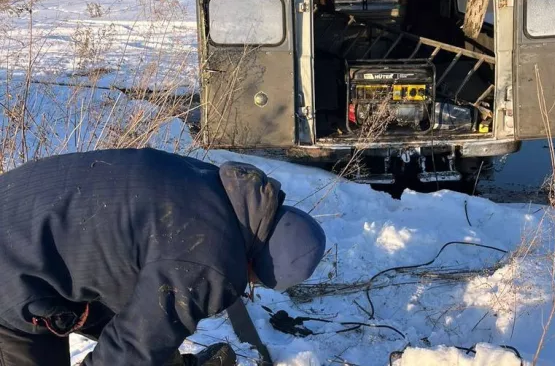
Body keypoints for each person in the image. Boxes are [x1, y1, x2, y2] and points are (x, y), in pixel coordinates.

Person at [0, 148, 327, 365]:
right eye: (255, 282)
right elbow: (130, 351)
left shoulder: (220, 188)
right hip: (13, 272)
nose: (248, 286)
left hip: (21, 210)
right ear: (258, 268)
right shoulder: (211, 259)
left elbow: (145, 315)